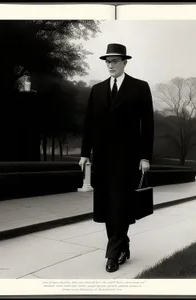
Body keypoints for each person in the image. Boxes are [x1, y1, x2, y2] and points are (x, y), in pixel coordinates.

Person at [79, 43, 154, 273]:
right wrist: (84, 153)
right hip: (101, 158)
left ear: (124, 62)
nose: (110, 65)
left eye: (114, 61)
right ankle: (122, 245)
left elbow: (148, 125)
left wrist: (145, 157)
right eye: (107, 61)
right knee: (106, 206)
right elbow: (89, 123)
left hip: (128, 158)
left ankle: (112, 255)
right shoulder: (97, 89)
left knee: (120, 205)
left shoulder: (140, 88)